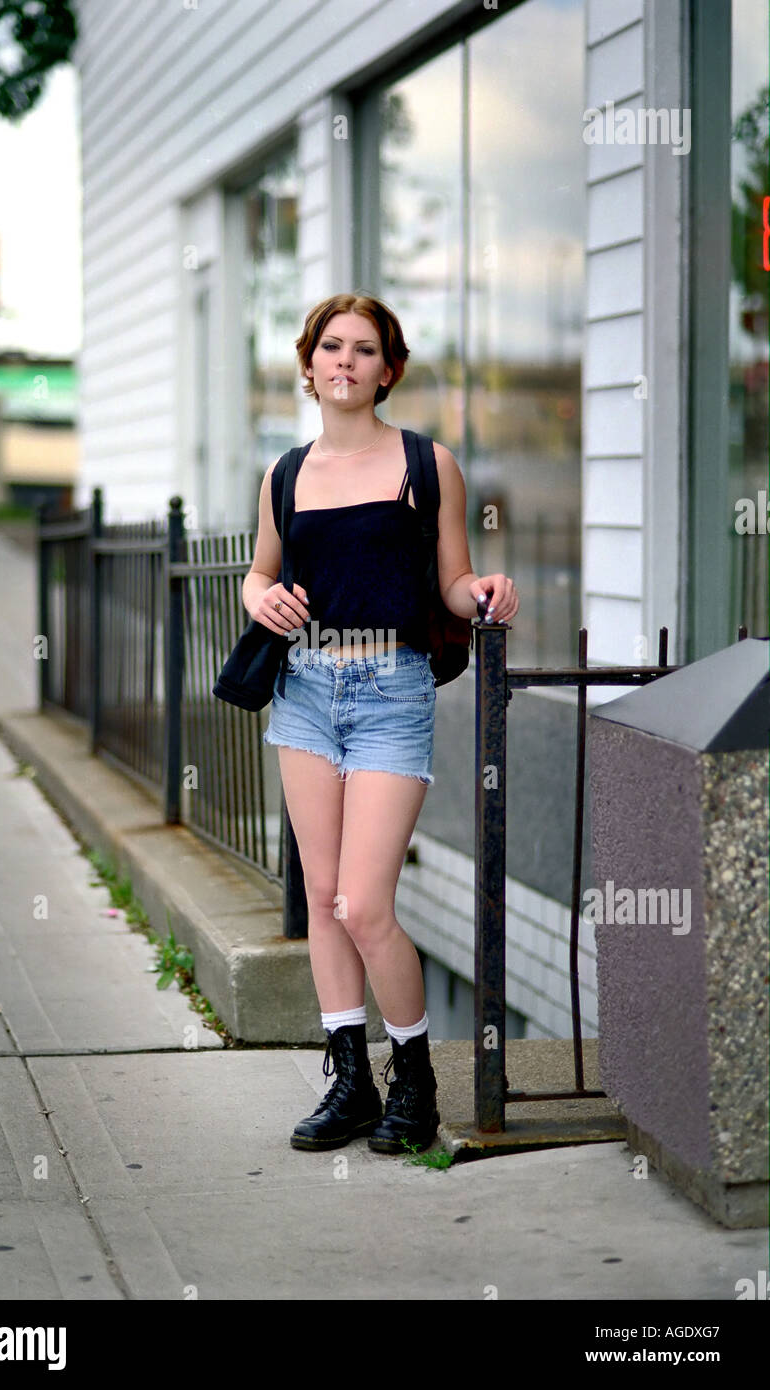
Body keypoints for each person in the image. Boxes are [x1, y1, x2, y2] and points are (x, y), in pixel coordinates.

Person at [242, 292, 519, 1154]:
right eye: (331, 347)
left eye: (365, 350)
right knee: (324, 902)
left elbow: (451, 579)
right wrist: (268, 601)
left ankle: (416, 1084)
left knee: (365, 903)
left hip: (391, 692)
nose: (346, 362)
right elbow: (256, 578)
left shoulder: (426, 463)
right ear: (309, 363)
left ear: (387, 370)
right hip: (303, 693)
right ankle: (350, 1081)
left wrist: (481, 594)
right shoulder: (285, 474)